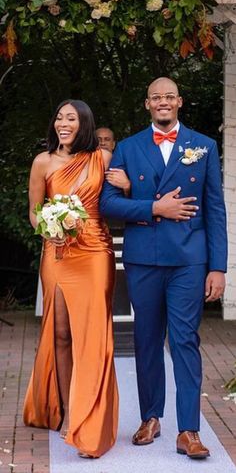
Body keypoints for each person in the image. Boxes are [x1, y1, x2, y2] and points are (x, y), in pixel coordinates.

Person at [100, 77, 227, 459]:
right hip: (144, 260)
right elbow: (106, 205)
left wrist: (218, 267)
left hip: (189, 259)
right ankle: (150, 418)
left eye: (169, 96)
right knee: (147, 339)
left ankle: (188, 430)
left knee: (185, 340)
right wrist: (154, 207)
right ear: (147, 104)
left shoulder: (204, 146)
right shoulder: (128, 147)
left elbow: (215, 209)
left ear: (180, 101)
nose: (163, 102)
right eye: (157, 97)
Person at [23, 99, 126, 459]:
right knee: (62, 333)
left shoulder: (104, 158)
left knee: (94, 336)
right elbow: (35, 213)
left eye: (71, 118)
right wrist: (46, 228)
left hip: (95, 252)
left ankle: (92, 419)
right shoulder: (42, 162)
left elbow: (119, 201)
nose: (63, 124)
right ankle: (69, 412)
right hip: (58, 254)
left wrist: (127, 187)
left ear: (84, 124)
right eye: (59, 118)